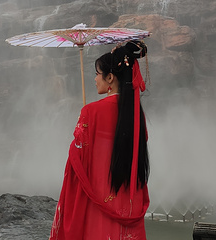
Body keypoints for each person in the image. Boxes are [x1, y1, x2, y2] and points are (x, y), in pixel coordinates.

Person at [49, 40, 150, 240]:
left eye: (97, 74)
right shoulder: (137, 113)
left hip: (98, 198)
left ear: (110, 77)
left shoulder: (91, 111)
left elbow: (77, 161)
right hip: (127, 199)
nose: (95, 79)